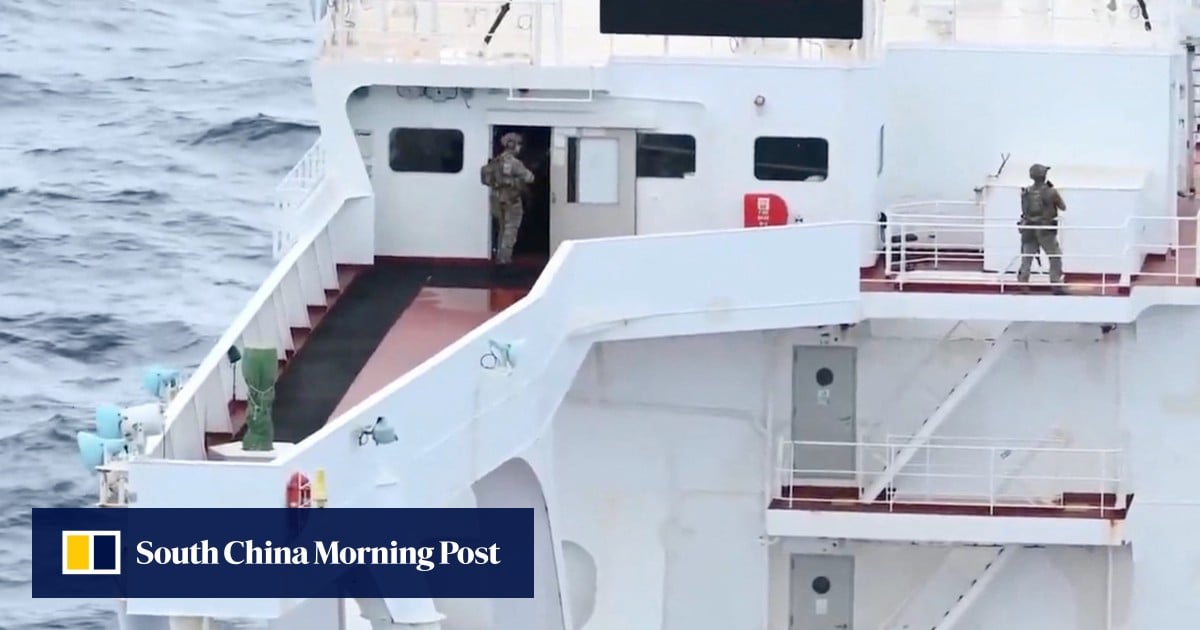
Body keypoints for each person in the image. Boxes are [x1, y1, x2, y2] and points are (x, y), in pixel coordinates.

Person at [480, 132, 535, 269]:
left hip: (496, 199)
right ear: (512, 145)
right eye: (518, 144)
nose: (520, 147)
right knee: (511, 230)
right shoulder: (515, 163)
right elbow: (530, 178)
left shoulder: (496, 161)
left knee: (502, 229)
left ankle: (500, 256)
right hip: (512, 200)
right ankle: (505, 259)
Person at [1016, 163, 1067, 295]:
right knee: (1055, 256)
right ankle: (1055, 283)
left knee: (1027, 257)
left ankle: (1023, 283)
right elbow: (1063, 207)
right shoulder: (1051, 192)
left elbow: (1024, 211)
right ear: (1044, 175)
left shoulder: (1026, 192)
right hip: (1045, 229)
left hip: (1029, 228)